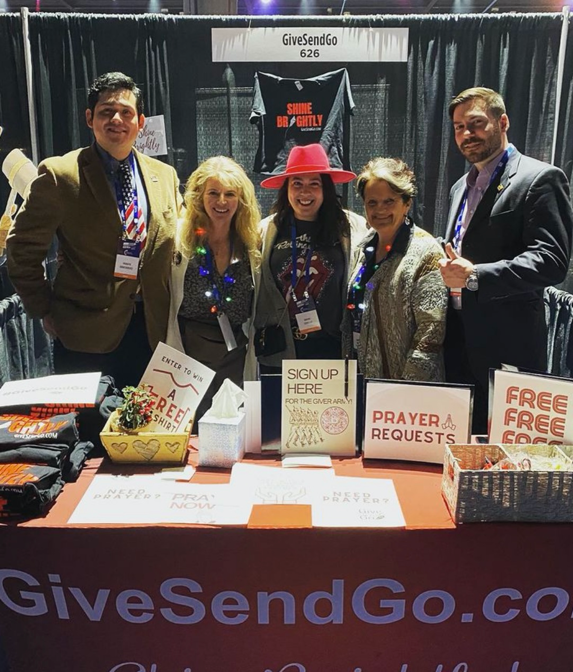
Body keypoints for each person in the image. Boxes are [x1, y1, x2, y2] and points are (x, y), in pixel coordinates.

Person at [6, 71, 182, 389]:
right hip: (84, 336)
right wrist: (43, 307)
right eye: (106, 111)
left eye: (126, 112)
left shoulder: (165, 175)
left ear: (140, 122)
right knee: (89, 436)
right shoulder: (60, 175)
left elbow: (180, 242)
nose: (117, 119)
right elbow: (21, 248)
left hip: (153, 333)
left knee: (143, 436)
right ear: (90, 118)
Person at [439, 86, 572, 433]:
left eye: (476, 123)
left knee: (507, 461)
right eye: (458, 127)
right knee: (463, 447)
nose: (466, 134)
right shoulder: (458, 188)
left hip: (508, 343)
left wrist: (477, 275)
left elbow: (551, 260)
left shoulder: (539, 178)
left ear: (503, 121)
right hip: (458, 340)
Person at [254, 143, 367, 370]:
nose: (305, 192)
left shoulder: (351, 227)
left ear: (325, 188)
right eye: (297, 184)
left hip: (334, 348)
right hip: (282, 349)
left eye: (314, 184)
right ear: (286, 189)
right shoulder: (267, 230)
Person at [166, 156, 261, 419]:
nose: (222, 202)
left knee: (231, 425)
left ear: (241, 200)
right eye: (214, 193)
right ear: (199, 195)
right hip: (188, 354)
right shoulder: (178, 240)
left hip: (235, 354)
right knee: (191, 429)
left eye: (230, 194)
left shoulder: (252, 242)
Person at [343, 157, 447, 381]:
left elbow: (431, 332)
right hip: (361, 380)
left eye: (389, 201)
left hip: (405, 394)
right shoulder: (363, 249)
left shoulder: (427, 253)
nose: (380, 210)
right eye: (372, 202)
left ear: (407, 202)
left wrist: (404, 389)